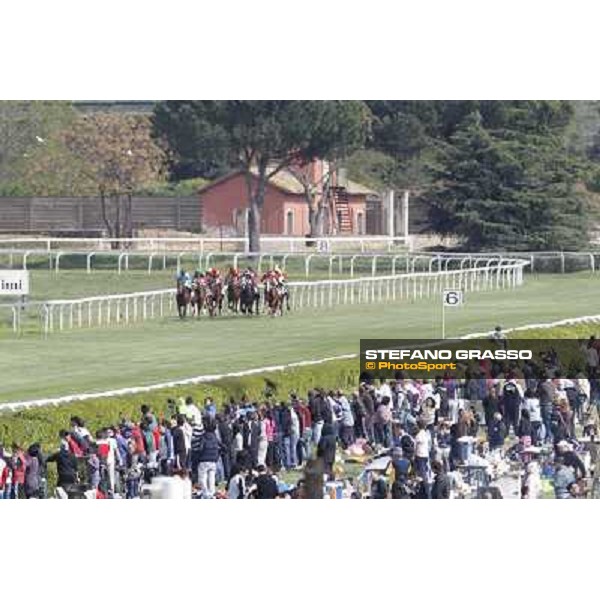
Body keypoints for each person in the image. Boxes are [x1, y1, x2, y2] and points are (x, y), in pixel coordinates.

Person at [195, 418, 221, 498]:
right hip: (213, 459)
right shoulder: (215, 436)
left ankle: (205, 492)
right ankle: (212, 492)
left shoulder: (203, 436)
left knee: (202, 478)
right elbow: (221, 445)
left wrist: (197, 454)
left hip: (204, 459)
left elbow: (200, 448)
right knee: (211, 477)